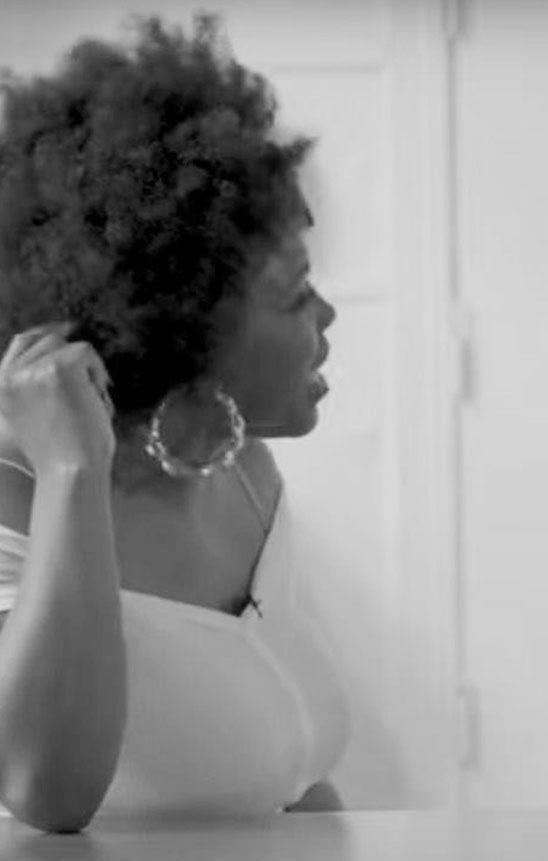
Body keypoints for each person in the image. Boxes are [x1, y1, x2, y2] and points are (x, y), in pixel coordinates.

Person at [0, 14, 346, 832]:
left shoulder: (242, 469)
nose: (327, 315)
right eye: (296, 292)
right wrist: (72, 475)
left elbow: (287, 771)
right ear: (184, 320)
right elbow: (49, 791)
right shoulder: (15, 508)